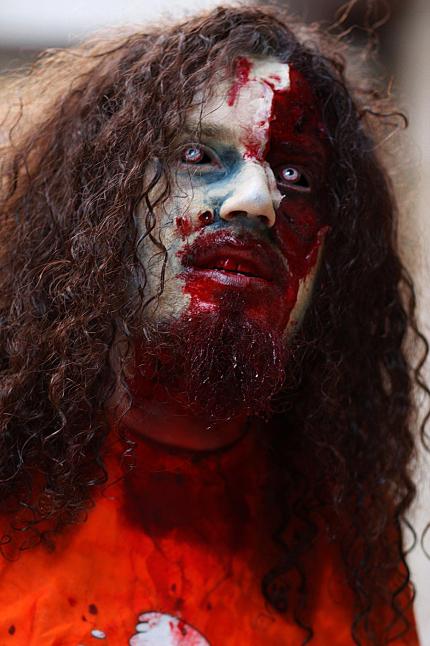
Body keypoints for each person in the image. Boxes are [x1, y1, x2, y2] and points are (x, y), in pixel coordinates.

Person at [0, 5, 426, 645]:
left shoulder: (343, 550)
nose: (256, 199)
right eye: (198, 155)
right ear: (101, 205)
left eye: (295, 175)